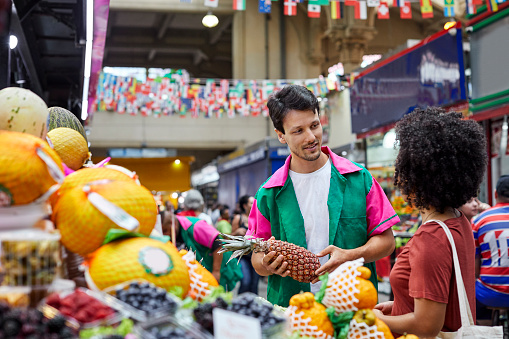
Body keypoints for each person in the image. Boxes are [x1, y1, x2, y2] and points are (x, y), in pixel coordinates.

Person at [246, 85, 399, 306]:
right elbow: (256, 258)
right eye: (298, 131)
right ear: (281, 136)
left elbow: (387, 242)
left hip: (353, 308)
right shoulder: (269, 193)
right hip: (294, 312)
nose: (311, 137)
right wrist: (266, 264)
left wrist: (350, 255)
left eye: (314, 125)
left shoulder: (359, 179)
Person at [373, 107, 488, 337]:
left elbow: (426, 325)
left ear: (415, 175)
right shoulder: (458, 219)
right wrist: (398, 307)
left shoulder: (431, 238)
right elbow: (444, 295)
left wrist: (375, 320)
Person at [160, 210, 242, 291]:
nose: (165, 235)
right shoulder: (174, 231)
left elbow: (217, 243)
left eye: (165, 231)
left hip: (222, 266)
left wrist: (216, 272)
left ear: (172, 223)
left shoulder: (196, 226)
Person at [472, 175, 509, 321]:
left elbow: (475, 265)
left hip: (489, 294)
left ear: (495, 194)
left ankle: (485, 329)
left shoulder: (480, 220)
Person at [232, 195, 260, 294]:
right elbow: (229, 238)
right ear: (244, 205)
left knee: (254, 284)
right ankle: (240, 304)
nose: (254, 205)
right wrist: (236, 232)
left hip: (255, 255)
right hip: (242, 256)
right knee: (246, 281)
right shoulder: (238, 218)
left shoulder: (258, 218)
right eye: (251, 203)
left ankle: (252, 306)